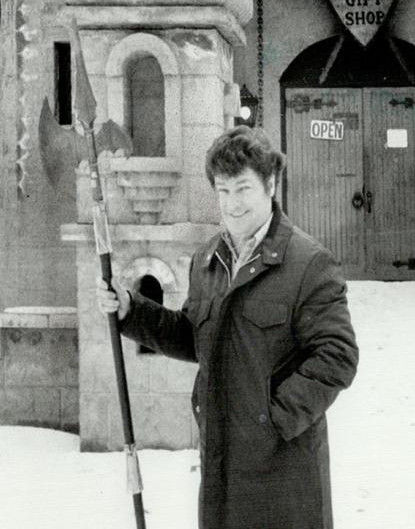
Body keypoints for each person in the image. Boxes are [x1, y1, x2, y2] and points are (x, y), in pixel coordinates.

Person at [96, 125, 358, 529]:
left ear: (270, 184)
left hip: (284, 473)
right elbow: (194, 336)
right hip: (221, 463)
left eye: (243, 189)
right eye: (223, 191)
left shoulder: (308, 263)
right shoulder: (207, 261)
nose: (233, 204)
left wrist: (271, 420)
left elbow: (337, 357)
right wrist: (132, 311)